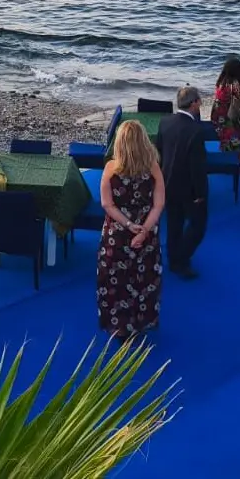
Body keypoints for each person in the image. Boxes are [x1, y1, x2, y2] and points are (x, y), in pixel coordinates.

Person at [97, 120, 165, 339]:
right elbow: (159, 204)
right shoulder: (153, 167)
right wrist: (144, 230)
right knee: (144, 277)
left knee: (115, 278)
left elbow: (107, 204)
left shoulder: (110, 168)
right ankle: (143, 320)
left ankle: (118, 325)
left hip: (117, 232)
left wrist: (128, 225)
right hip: (146, 230)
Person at [156, 86, 208, 279]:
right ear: (194, 103)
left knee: (174, 223)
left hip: (168, 183)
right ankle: (181, 258)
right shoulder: (196, 130)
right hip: (189, 188)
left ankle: (172, 256)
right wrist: (200, 193)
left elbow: (159, 153)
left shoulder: (165, 122)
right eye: (199, 101)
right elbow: (198, 167)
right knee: (198, 226)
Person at [210, 57, 240, 171]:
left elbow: (239, 90)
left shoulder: (222, 81)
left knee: (227, 134)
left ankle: (226, 149)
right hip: (226, 116)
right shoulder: (233, 84)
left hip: (216, 113)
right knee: (239, 138)